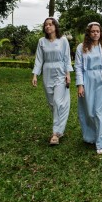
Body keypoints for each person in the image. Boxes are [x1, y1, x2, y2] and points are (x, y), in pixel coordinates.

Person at [32, 17, 73, 145]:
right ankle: (60, 128)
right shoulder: (41, 41)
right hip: (47, 72)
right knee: (52, 103)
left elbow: (67, 58)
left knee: (57, 101)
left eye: (50, 24)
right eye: (46, 25)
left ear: (56, 26)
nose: (48, 27)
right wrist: (35, 75)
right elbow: (39, 59)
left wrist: (68, 74)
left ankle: (55, 133)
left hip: (60, 72)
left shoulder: (63, 40)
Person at [75, 22, 102, 155]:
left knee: (101, 112)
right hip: (88, 79)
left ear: (100, 33)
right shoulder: (81, 47)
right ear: (88, 33)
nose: (95, 33)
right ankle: (91, 136)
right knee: (89, 111)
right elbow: (78, 67)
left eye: (97, 31)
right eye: (93, 31)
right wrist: (80, 85)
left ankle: (101, 142)